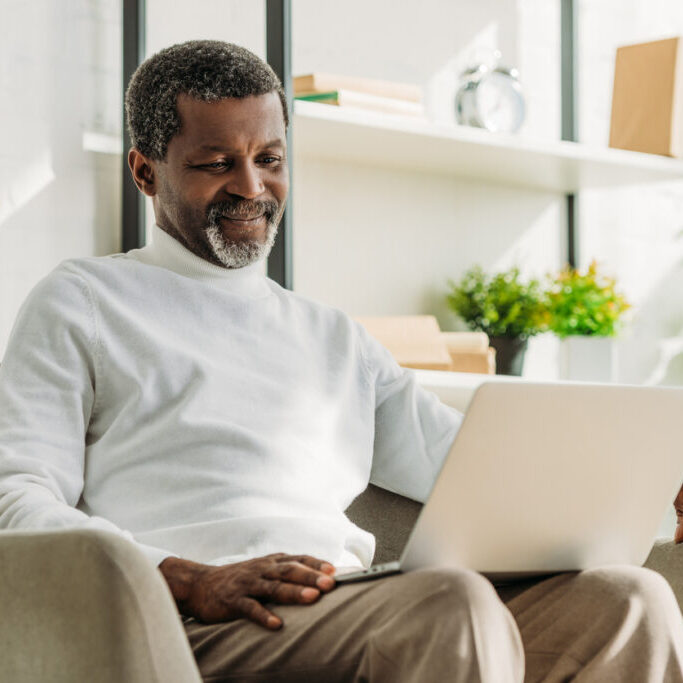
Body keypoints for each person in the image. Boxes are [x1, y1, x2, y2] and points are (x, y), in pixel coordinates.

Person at [0, 39, 682, 682]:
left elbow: (478, 469)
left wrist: (650, 502)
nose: (251, 186)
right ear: (145, 170)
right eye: (216, 162)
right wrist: (184, 576)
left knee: (630, 598)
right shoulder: (85, 302)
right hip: (198, 621)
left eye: (269, 157)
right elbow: (15, 497)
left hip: (349, 602)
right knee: (448, 602)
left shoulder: (332, 336)